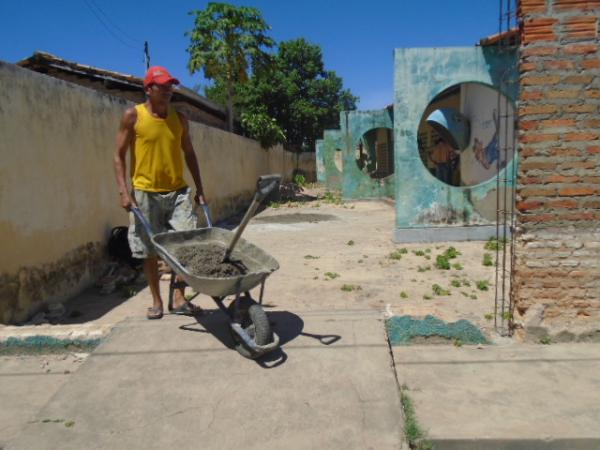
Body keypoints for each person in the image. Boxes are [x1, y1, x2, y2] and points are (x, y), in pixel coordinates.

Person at [113, 66, 206, 320]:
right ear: (148, 89)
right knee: (149, 250)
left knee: (185, 244)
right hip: (144, 193)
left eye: (170, 86)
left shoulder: (180, 119)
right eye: (162, 86)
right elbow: (119, 156)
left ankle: (178, 297)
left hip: (178, 192)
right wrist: (124, 192)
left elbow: (189, 153)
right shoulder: (133, 116)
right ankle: (156, 301)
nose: (168, 91)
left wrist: (200, 188)